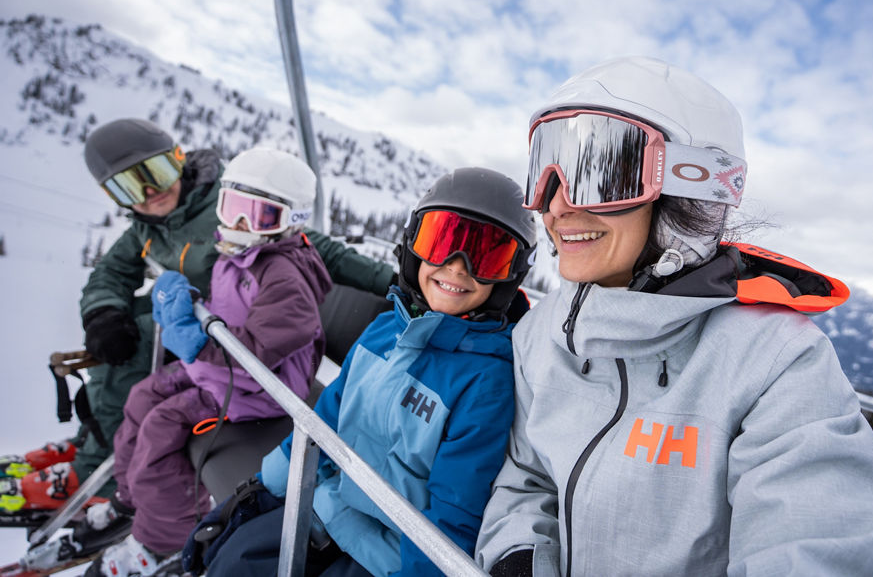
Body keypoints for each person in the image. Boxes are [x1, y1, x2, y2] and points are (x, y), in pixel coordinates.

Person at [475, 56, 873, 576]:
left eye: (598, 173)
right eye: (546, 173)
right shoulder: (540, 333)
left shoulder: (776, 360)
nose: (555, 207)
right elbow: (527, 480)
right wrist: (520, 559)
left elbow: (819, 540)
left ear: (689, 190)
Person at [2, 118, 394, 514]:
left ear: (178, 160)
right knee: (113, 342)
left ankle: (91, 469)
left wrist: (395, 280)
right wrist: (102, 311)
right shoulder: (148, 224)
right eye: (130, 187)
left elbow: (318, 248)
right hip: (200, 332)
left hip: (227, 339)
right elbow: (111, 272)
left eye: (154, 174)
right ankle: (96, 440)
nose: (150, 192)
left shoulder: (231, 206)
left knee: (128, 353)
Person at [197, 167, 537, 577]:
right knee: (227, 559)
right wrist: (264, 488)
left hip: (390, 554)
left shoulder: (486, 381)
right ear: (413, 246)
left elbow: (455, 509)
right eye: (441, 240)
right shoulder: (384, 329)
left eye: (487, 255)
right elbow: (325, 419)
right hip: (330, 506)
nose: (457, 267)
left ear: (511, 276)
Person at [79, 147, 334, 576]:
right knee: (142, 395)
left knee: (162, 425)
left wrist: (195, 339)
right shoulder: (239, 253)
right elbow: (231, 310)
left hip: (258, 391)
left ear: (290, 221)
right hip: (220, 370)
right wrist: (193, 307)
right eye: (233, 209)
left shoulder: (285, 277)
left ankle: (162, 542)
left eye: (259, 217)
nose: (239, 225)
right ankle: (130, 498)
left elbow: (255, 352)